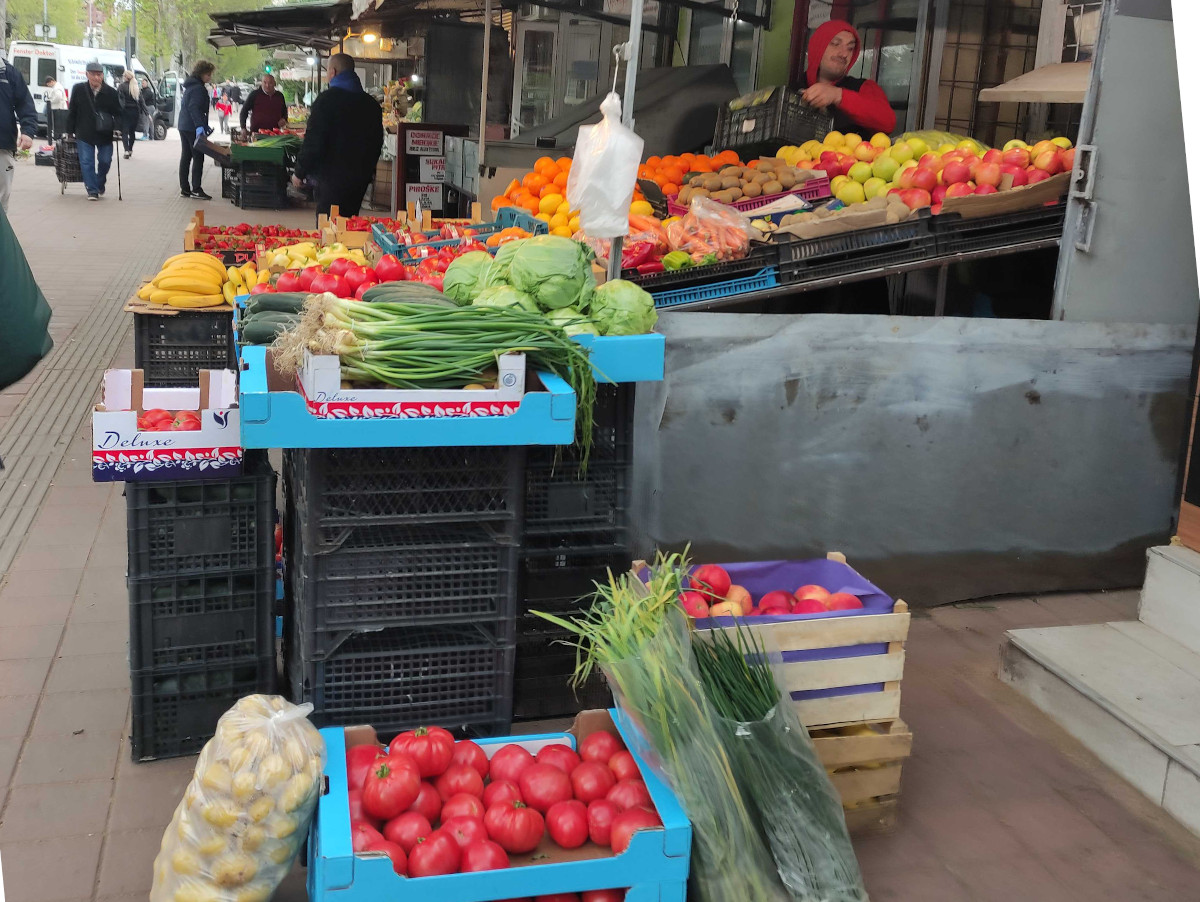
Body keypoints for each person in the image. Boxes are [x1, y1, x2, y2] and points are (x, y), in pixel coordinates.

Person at [292, 54, 383, 220]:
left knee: (329, 228)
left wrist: (300, 171)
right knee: (350, 224)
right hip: (359, 180)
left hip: (330, 180)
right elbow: (377, 143)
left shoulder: (326, 101)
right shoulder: (371, 105)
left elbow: (314, 141)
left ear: (333, 72)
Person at [798, 20, 896, 136]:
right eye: (835, 44)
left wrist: (838, 96)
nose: (844, 54)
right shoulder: (793, 88)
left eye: (850, 48)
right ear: (817, 46)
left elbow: (888, 123)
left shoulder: (864, 87)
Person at [65, 60, 122, 201]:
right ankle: (92, 190)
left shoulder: (111, 92)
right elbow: (72, 110)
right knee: (86, 161)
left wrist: (118, 128)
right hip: (84, 131)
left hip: (105, 133)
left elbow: (119, 113)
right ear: (87, 74)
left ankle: (99, 182)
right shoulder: (79, 89)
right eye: (93, 74)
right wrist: (69, 130)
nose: (96, 78)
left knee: (105, 161)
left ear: (103, 75)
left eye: (99, 74)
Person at [0, 54, 38, 212]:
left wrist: (28, 131)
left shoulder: (9, 74)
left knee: (2, 193)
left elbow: (25, 104)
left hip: (2, 145)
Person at [178, 60, 215, 199]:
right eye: (208, 74)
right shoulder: (198, 89)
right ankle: (196, 188)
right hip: (192, 127)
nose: (209, 77)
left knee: (186, 156)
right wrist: (200, 126)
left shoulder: (190, 86)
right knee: (198, 156)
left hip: (184, 125)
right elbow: (194, 107)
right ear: (201, 74)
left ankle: (185, 188)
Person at [117, 70, 140, 159]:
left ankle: (126, 150)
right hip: (135, 112)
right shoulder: (136, 87)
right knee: (132, 132)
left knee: (125, 132)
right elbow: (140, 100)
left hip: (125, 111)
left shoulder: (121, 87)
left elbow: (118, 99)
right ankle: (130, 149)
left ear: (126, 77)